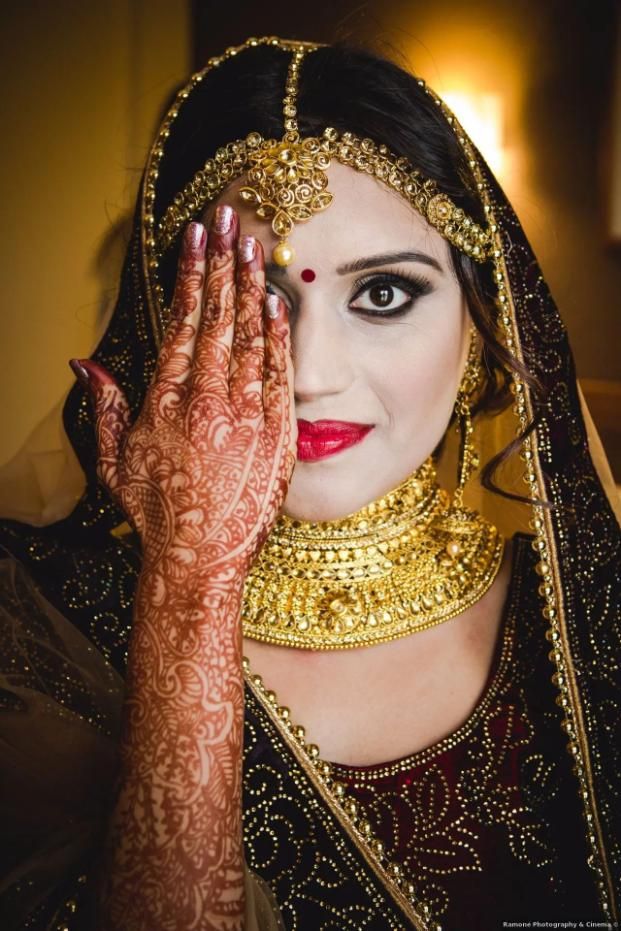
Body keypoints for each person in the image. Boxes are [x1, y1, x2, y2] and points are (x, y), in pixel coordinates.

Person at [1, 35, 620, 931]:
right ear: (158, 317)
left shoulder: (587, 616)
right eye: (250, 301)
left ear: (482, 322)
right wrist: (189, 585)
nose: (312, 373)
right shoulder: (40, 625)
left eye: (382, 295)